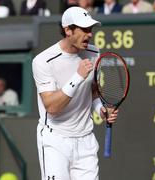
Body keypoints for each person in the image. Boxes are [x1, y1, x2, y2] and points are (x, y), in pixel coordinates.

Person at [32, 6, 119, 180]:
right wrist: (77, 76)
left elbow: (93, 92)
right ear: (68, 30)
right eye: (84, 29)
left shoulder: (94, 53)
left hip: (86, 141)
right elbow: (52, 107)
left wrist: (100, 110)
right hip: (55, 141)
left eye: (91, 29)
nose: (90, 34)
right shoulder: (43, 61)